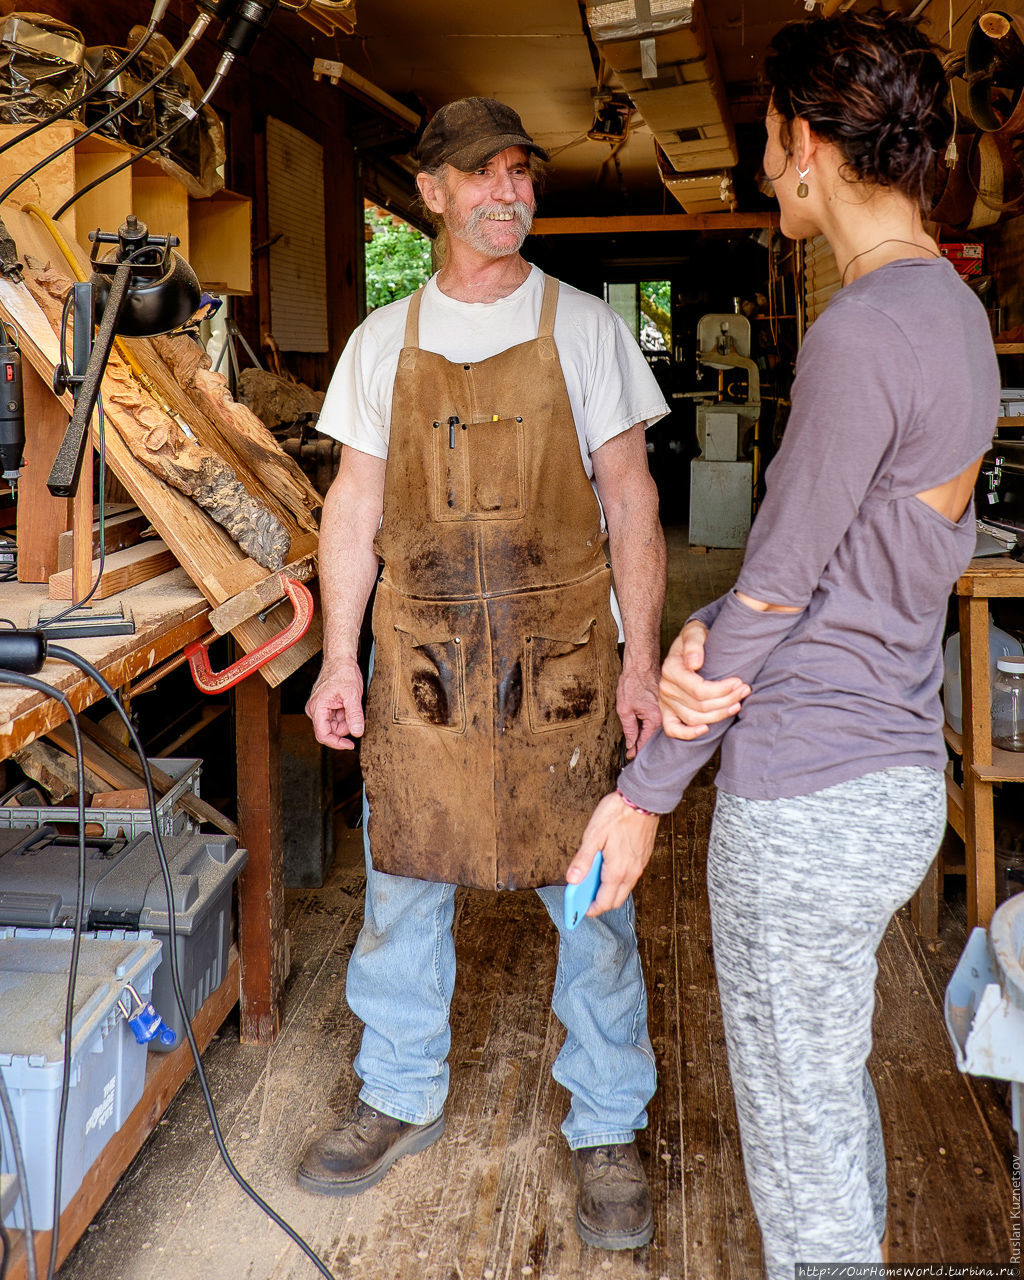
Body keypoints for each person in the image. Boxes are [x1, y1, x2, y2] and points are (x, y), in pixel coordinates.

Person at [569, 10, 999, 1275]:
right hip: (892, 776)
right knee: (828, 1084)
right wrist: (719, 617)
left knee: (797, 1127)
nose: (764, 165)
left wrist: (644, 792)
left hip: (809, 792)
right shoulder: (951, 312)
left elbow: (776, 588)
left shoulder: (861, 332)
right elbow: (845, 569)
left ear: (806, 143)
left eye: (767, 138)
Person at [300, 96, 669, 1251]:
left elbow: (632, 501)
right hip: (421, 661)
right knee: (404, 875)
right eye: (485, 175)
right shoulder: (382, 342)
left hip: (561, 657)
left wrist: (642, 657)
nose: (510, 193)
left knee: (591, 894)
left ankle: (608, 1119)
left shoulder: (584, 329)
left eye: (522, 174)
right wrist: (335, 660)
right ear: (435, 192)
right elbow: (352, 508)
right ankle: (398, 1089)